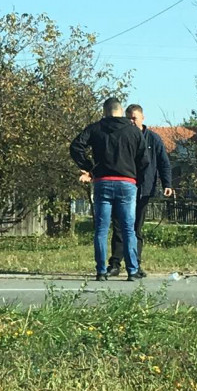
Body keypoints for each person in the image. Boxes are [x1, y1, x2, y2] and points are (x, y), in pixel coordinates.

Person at [70, 97, 149, 281]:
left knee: (101, 229)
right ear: (121, 111)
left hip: (103, 182)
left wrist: (90, 167)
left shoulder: (95, 128)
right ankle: (132, 270)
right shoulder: (134, 131)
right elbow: (144, 160)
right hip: (127, 182)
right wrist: (136, 178)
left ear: (105, 112)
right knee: (128, 228)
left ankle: (101, 271)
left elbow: (76, 146)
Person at [106, 104, 173, 277]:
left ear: (142, 118)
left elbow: (163, 162)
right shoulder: (123, 136)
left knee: (136, 229)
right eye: (128, 118)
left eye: (134, 118)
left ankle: (135, 265)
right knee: (119, 226)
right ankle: (115, 264)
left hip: (143, 189)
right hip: (122, 187)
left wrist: (167, 184)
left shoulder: (153, 139)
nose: (131, 121)